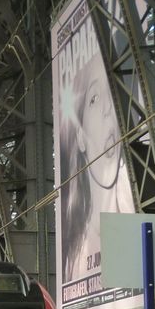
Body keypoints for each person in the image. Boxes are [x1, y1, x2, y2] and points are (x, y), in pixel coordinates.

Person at [58, 36, 135, 285]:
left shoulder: (139, 226)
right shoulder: (74, 259)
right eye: (94, 98)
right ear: (80, 136)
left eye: (113, 94)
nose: (107, 109)